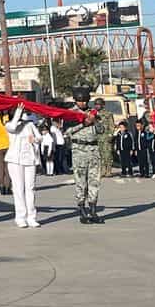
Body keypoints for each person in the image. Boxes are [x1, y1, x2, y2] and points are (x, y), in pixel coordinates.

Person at [64, 90, 105, 224]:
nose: (82, 103)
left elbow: (101, 130)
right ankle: (82, 211)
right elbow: (67, 131)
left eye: (85, 100)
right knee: (81, 182)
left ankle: (93, 210)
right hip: (79, 150)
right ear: (75, 100)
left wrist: (95, 121)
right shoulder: (71, 113)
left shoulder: (93, 112)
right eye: (80, 100)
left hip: (93, 149)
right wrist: (84, 123)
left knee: (94, 181)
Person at [5, 110, 42, 228]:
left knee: (30, 188)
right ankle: (20, 217)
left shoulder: (29, 124)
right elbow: (12, 128)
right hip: (15, 160)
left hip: (29, 158)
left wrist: (35, 140)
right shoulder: (9, 124)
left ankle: (31, 216)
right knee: (18, 189)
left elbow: (40, 137)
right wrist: (17, 113)